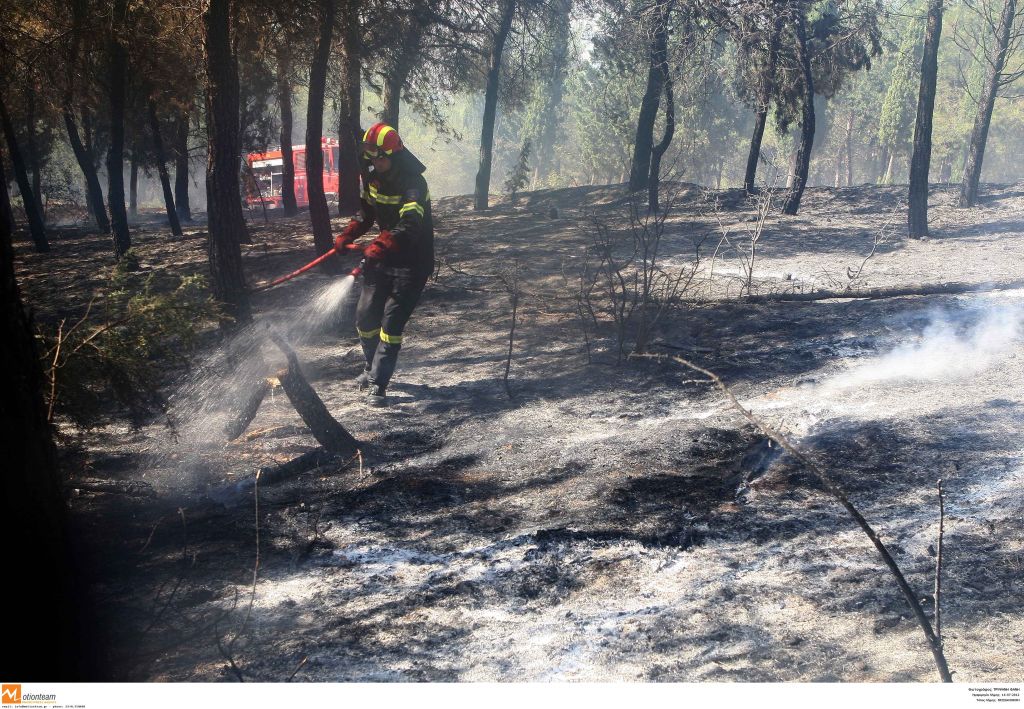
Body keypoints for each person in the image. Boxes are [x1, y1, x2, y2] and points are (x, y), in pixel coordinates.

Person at [334, 122, 434, 407]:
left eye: (380, 158)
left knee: (391, 323)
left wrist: (383, 242)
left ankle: (379, 383)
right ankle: (371, 367)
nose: (375, 163)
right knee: (365, 316)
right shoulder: (373, 180)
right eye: (371, 158)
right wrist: (348, 234)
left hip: (412, 263)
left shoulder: (415, 183)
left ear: (394, 154)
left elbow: (411, 224)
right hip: (383, 257)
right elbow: (365, 214)